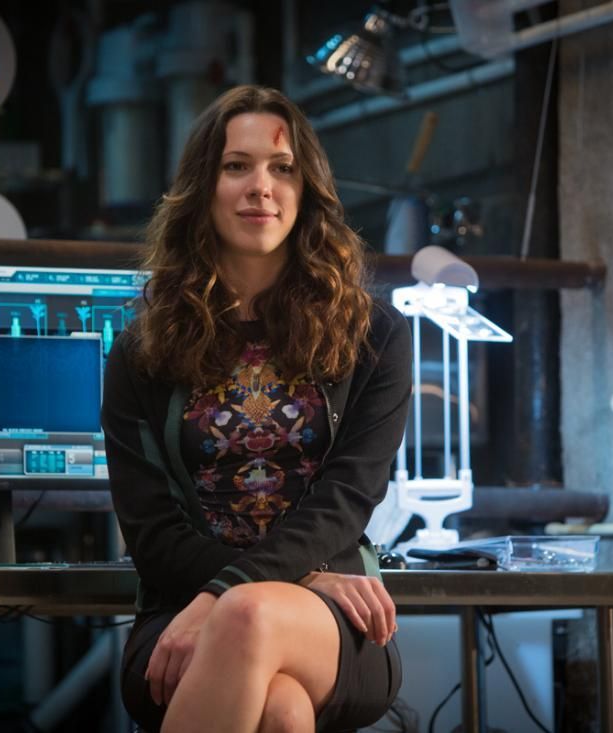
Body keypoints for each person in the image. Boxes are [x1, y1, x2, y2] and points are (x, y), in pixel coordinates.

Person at [101, 84, 412, 733]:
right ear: (203, 187)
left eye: (282, 168)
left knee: (247, 615)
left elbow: (346, 501)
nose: (260, 188)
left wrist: (242, 593)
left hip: (333, 622)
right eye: (236, 166)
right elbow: (153, 538)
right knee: (281, 711)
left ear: (306, 189)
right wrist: (295, 579)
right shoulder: (142, 351)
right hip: (182, 612)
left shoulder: (374, 335)